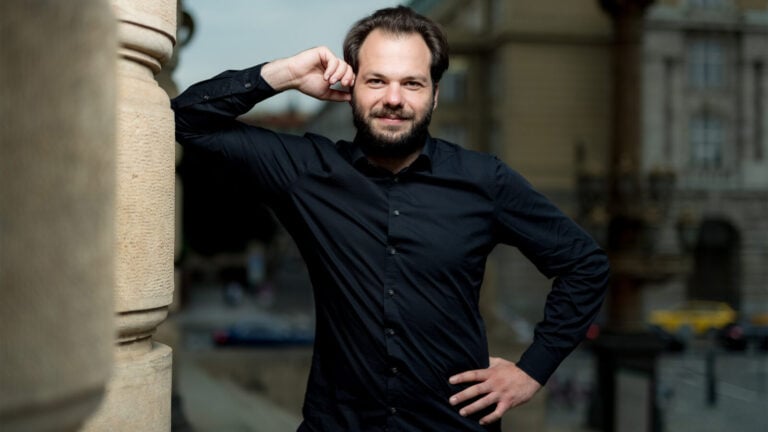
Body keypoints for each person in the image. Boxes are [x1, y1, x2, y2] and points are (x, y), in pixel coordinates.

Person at [172, 6, 609, 431]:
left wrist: (532, 370)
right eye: (376, 81)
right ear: (351, 88)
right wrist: (286, 74)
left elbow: (584, 265)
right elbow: (187, 120)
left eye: (412, 83)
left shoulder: (484, 180)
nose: (394, 99)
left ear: (435, 96)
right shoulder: (307, 171)